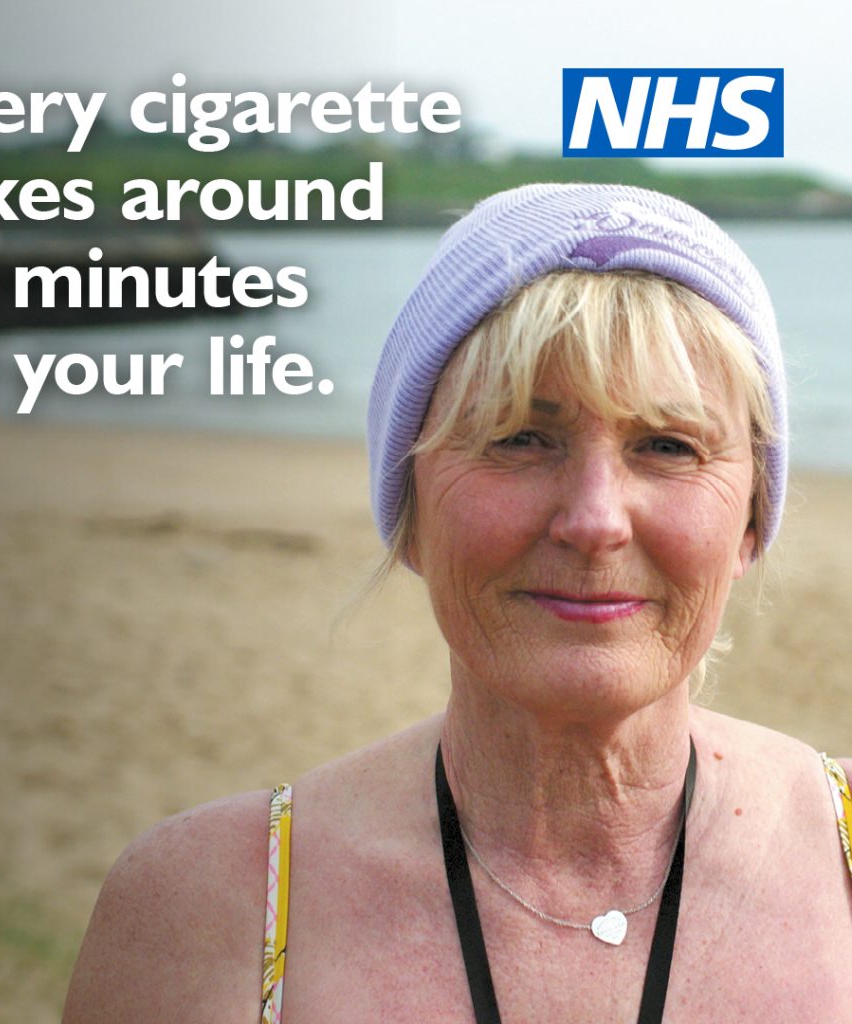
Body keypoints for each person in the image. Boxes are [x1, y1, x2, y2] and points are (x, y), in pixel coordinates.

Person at [61, 183, 852, 1023]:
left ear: (750, 521)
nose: (594, 521)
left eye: (667, 445)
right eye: (518, 436)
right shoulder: (212, 907)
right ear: (410, 510)